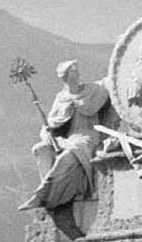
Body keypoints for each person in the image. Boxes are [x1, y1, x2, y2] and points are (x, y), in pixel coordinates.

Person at [22, 60, 113, 212]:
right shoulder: (61, 98)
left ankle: (42, 195)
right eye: (73, 72)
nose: (77, 74)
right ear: (65, 77)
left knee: (66, 157)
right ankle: (48, 193)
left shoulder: (92, 90)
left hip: (87, 137)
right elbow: (51, 123)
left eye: (77, 71)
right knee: (40, 149)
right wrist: (47, 132)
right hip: (69, 139)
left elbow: (104, 93)